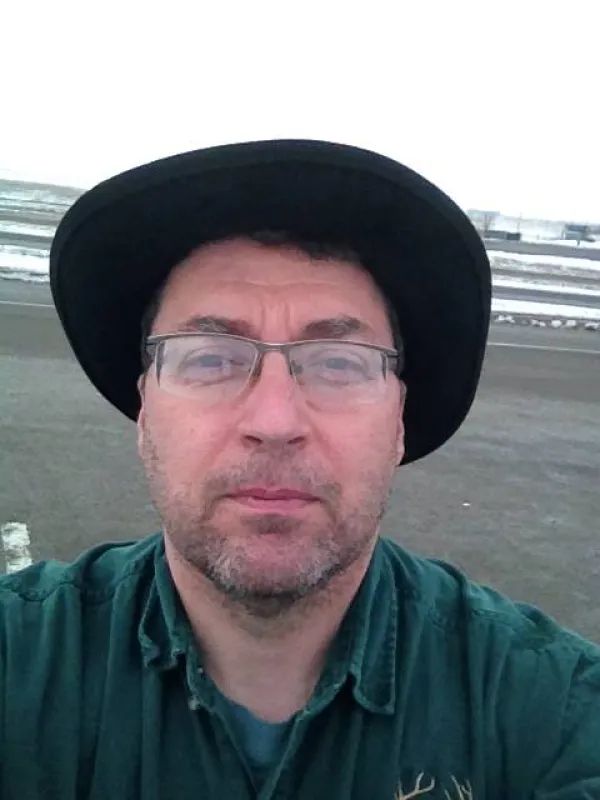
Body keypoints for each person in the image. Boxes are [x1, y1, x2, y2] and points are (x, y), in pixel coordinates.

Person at [1, 139, 599, 800]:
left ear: (399, 419)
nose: (276, 419)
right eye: (210, 358)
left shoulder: (552, 714)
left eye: (338, 363)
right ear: (145, 409)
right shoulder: (20, 664)